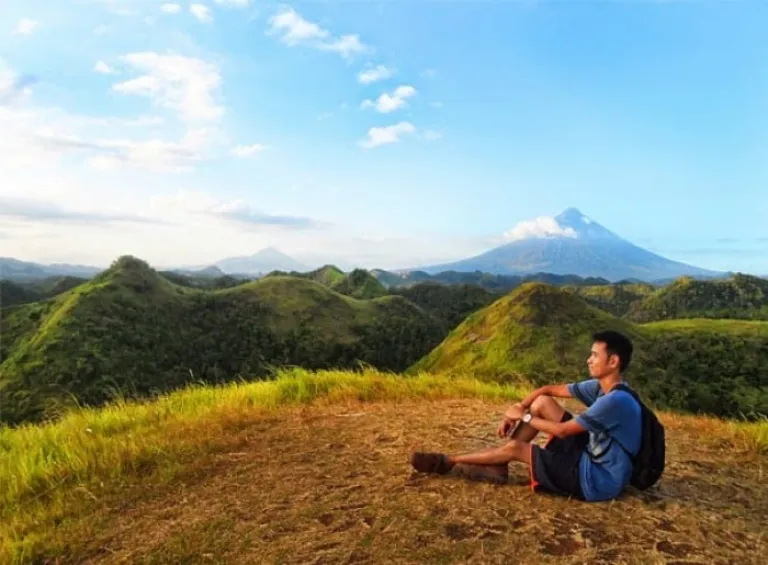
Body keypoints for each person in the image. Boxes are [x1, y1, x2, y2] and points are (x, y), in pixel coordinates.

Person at [410, 330, 643, 502]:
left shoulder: (615, 401)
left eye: (594, 355)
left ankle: (449, 462)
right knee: (542, 403)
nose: (588, 360)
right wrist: (518, 410)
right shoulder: (601, 387)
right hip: (591, 454)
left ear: (613, 362)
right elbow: (546, 391)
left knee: (516, 449)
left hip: (597, 479)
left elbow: (563, 431)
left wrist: (524, 416)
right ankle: (498, 467)